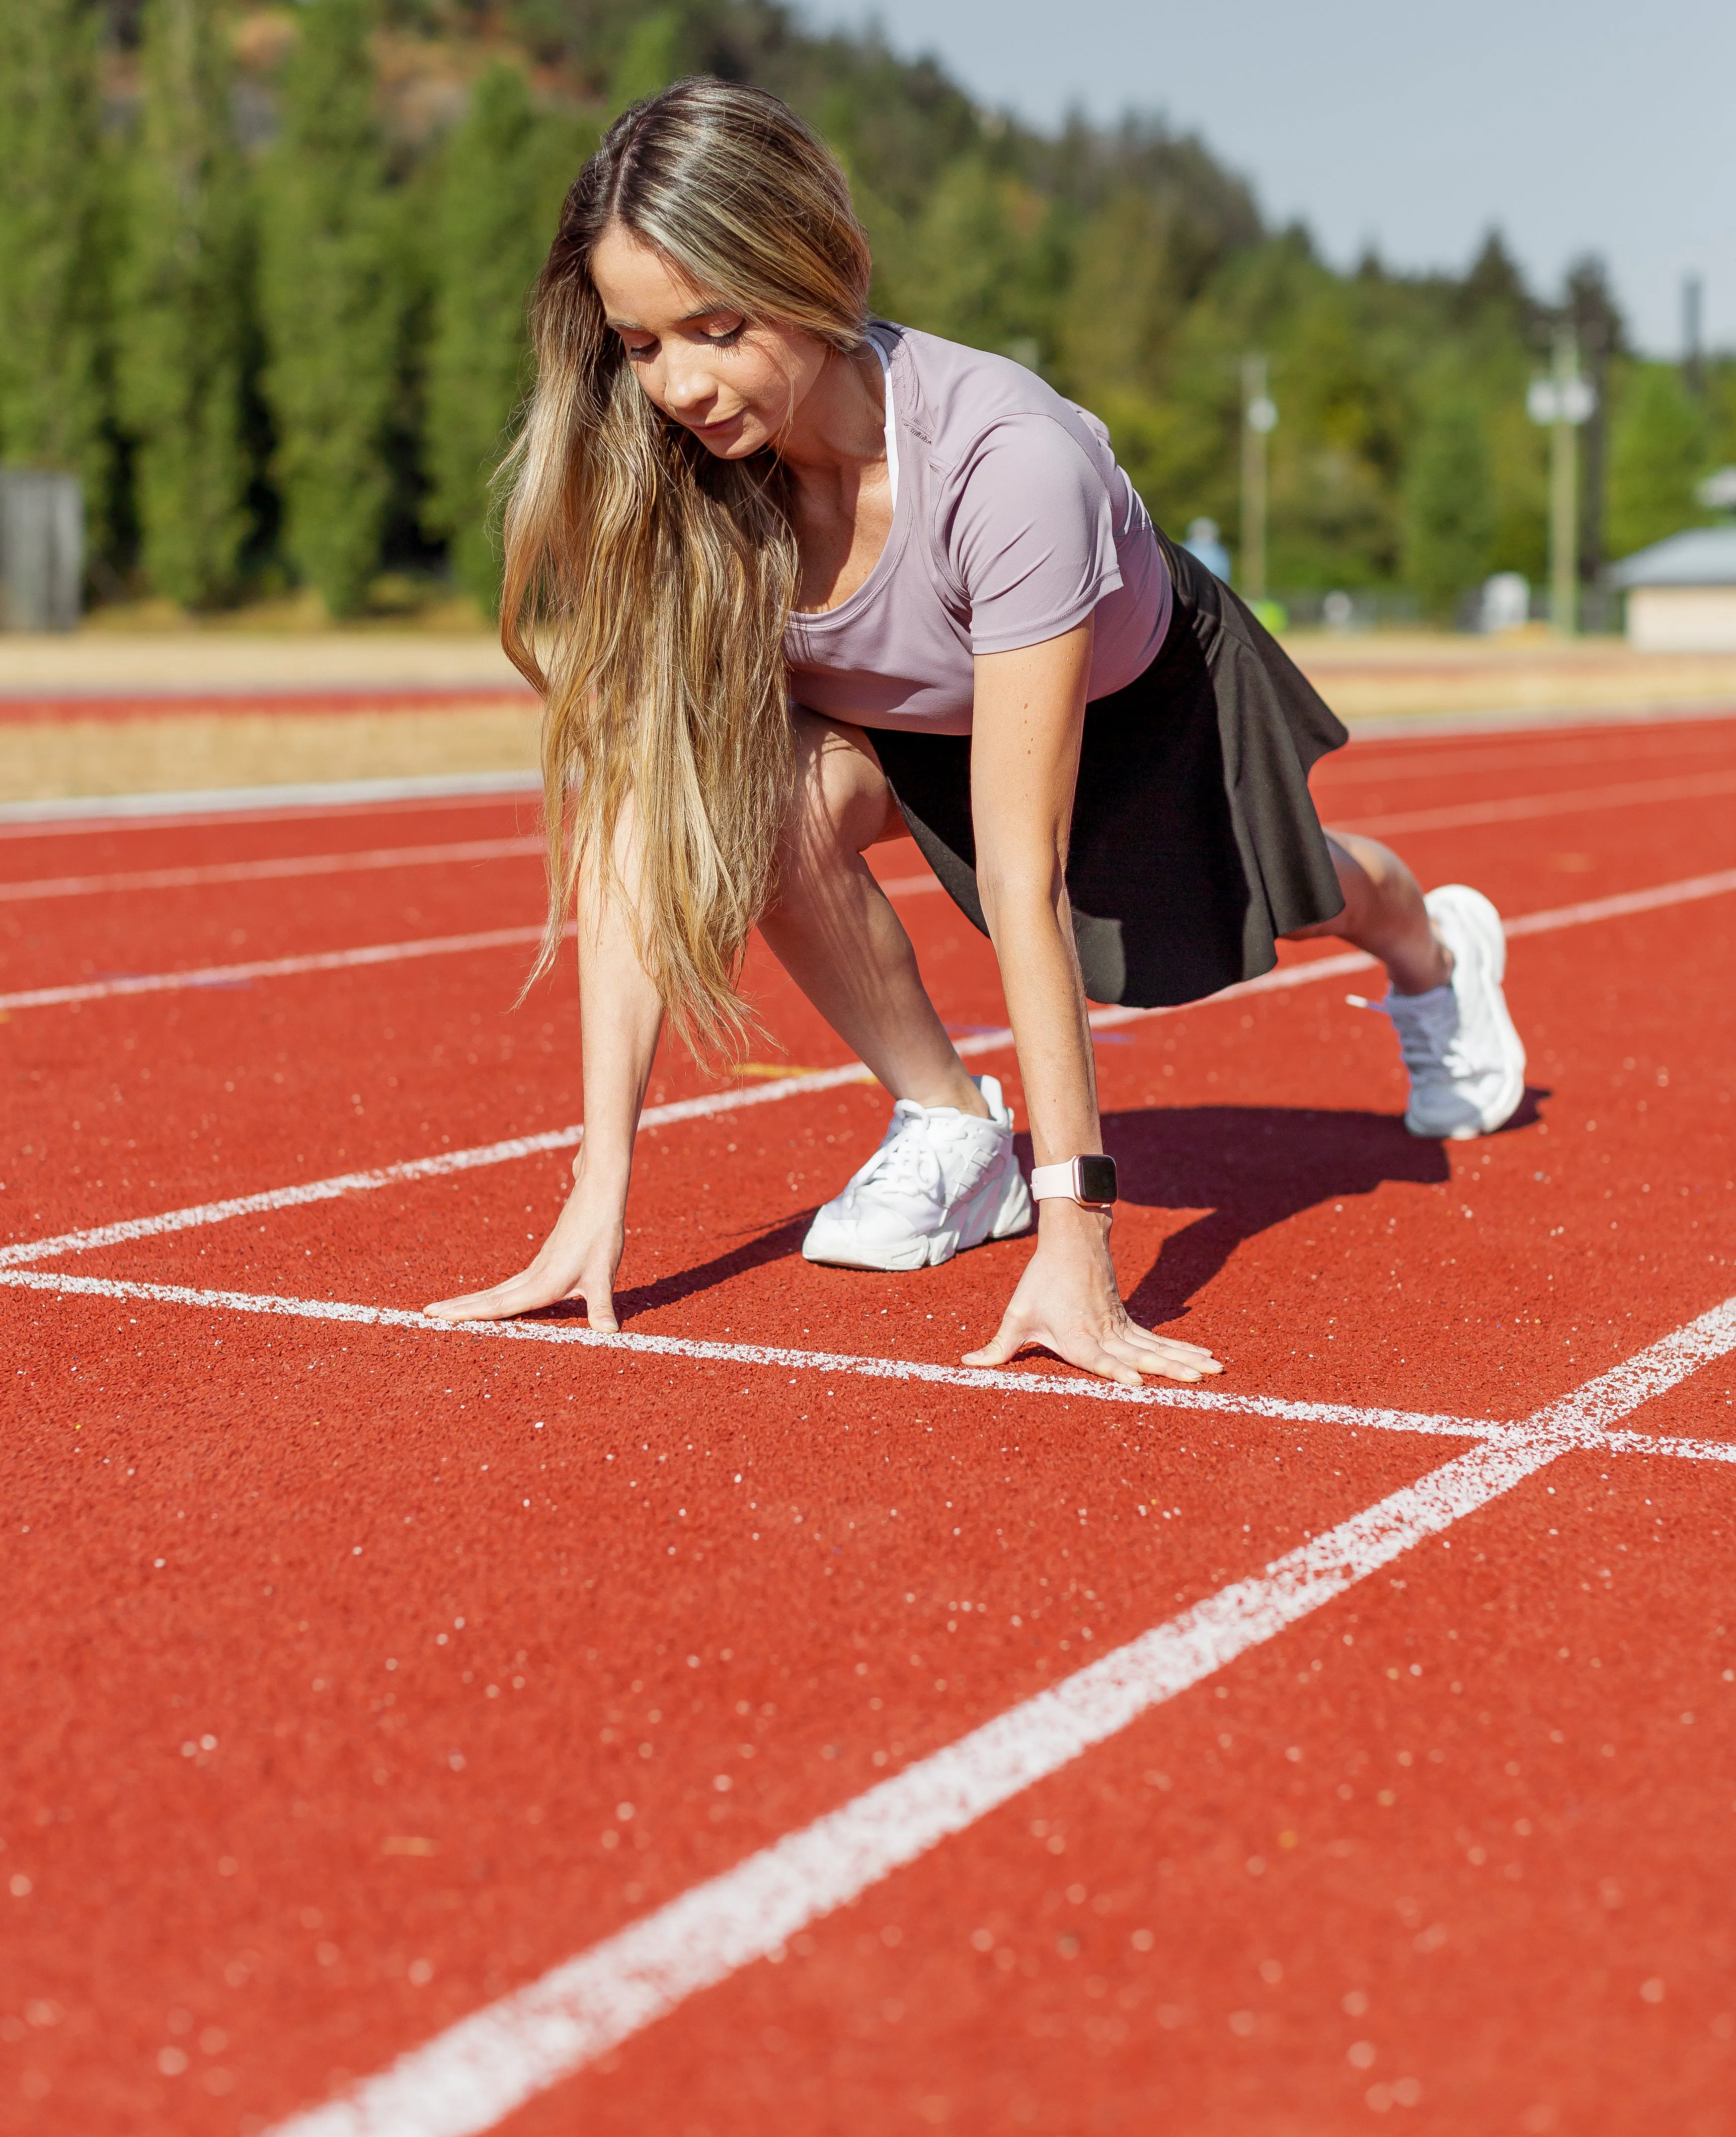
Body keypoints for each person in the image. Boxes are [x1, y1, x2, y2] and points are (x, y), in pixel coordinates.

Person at [427, 79, 1525, 1388]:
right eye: (642, 343)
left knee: (1275, 904)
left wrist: (1080, 1238)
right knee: (743, 801)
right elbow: (640, 827)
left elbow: (1022, 874)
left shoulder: (1005, 460)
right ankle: (949, 1125)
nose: (680, 385)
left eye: (717, 328)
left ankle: (1423, 937)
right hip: (901, 725)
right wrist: (595, 1191)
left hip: (1132, 702)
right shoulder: (683, 480)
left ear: (820, 268)